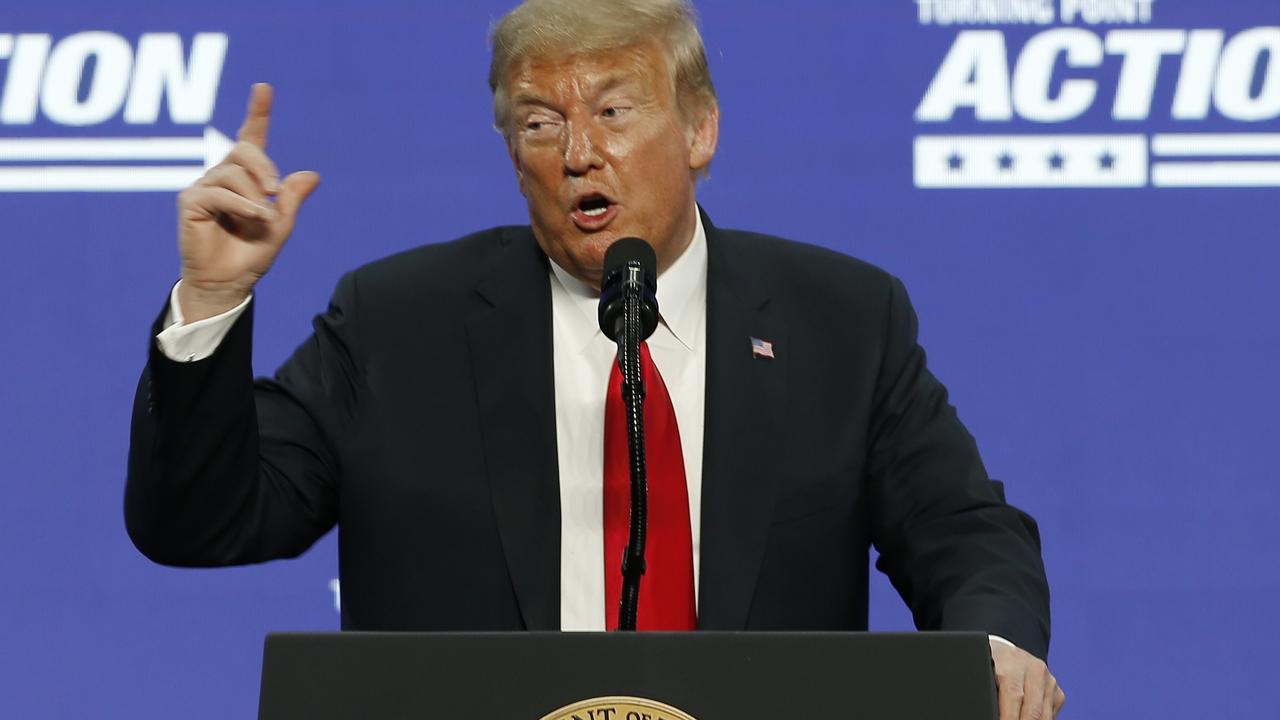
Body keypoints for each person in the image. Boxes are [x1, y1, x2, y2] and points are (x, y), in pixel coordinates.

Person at [125, 0, 1065, 717]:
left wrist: (994, 644)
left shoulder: (842, 321)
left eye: (614, 110)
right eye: (538, 123)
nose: (579, 153)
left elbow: (968, 534)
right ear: (511, 151)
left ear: (699, 131)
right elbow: (202, 522)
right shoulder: (397, 322)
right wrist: (213, 300)